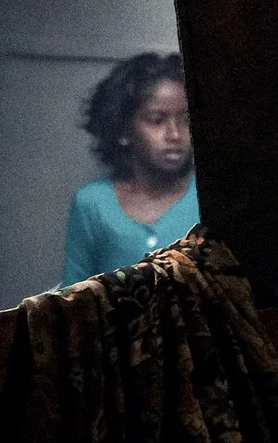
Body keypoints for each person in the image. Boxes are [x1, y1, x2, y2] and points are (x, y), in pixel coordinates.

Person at [62, 51, 201, 286]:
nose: (175, 134)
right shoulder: (93, 203)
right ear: (123, 130)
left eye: (186, 120)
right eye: (157, 120)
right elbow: (72, 299)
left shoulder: (207, 198)